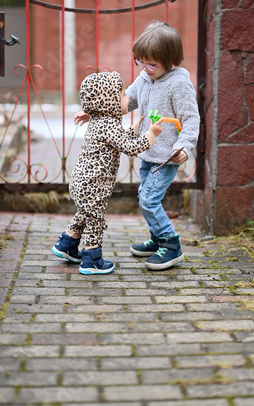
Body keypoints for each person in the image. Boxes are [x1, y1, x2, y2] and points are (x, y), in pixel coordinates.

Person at [51, 70, 162, 275]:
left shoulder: (100, 122)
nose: (127, 98)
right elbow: (129, 148)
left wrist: (137, 127)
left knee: (85, 214)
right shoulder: (109, 124)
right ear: (108, 102)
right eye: (122, 96)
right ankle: (91, 260)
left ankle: (66, 245)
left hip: (81, 183)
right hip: (94, 185)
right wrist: (150, 135)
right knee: (96, 220)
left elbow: (119, 141)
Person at [126, 21, 200, 270]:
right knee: (144, 197)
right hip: (148, 151)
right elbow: (129, 100)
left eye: (152, 64)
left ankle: (171, 247)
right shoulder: (145, 78)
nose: (145, 68)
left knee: (148, 200)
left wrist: (184, 146)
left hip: (168, 156)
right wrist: (97, 109)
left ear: (169, 60)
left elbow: (191, 119)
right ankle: (158, 240)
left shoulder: (178, 84)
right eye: (140, 61)